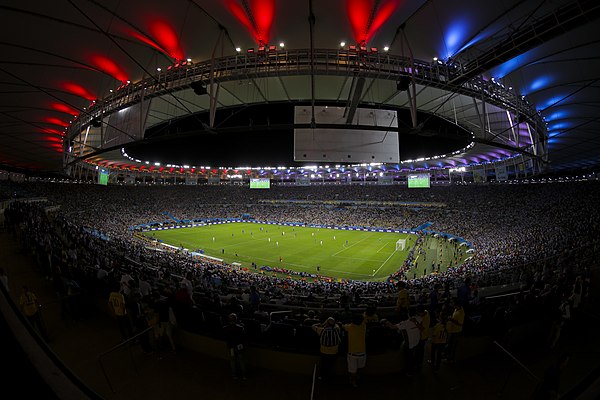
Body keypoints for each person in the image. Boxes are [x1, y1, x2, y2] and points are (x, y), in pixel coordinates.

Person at [312, 317, 341, 382]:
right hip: (334, 352)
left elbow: (313, 326)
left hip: (323, 352)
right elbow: (337, 325)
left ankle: (322, 376)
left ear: (326, 323)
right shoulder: (337, 329)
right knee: (331, 365)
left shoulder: (321, 330)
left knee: (323, 364)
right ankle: (329, 377)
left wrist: (320, 324)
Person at [342, 314, 367, 387]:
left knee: (353, 371)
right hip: (362, 353)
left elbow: (343, 326)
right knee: (360, 368)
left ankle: (353, 382)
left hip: (352, 354)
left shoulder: (350, 327)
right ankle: (356, 379)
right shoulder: (364, 326)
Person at [222, 313, 247, 380]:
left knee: (233, 361)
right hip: (239, 346)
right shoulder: (240, 328)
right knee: (241, 360)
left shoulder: (225, 328)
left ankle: (234, 375)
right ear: (236, 320)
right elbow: (243, 338)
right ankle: (244, 375)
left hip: (231, 347)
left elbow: (225, 337)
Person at [445, 297, 465, 363]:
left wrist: (452, 320)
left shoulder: (461, 312)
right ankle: (447, 356)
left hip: (456, 332)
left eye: (452, 302)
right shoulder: (456, 309)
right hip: (452, 330)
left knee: (452, 346)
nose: (451, 303)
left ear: (456, 304)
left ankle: (450, 359)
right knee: (449, 344)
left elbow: (460, 324)